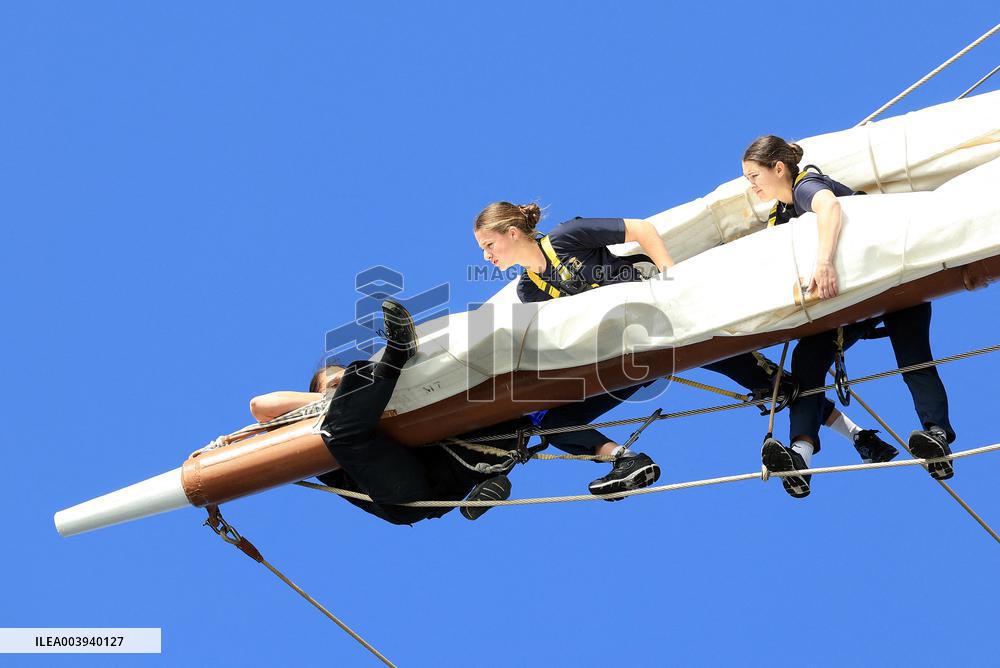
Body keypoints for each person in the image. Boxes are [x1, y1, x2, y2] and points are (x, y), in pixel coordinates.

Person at [472, 202, 894, 495]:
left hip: (670, 323)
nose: (487, 255)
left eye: (489, 245)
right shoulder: (530, 289)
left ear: (512, 233)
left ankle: (858, 435)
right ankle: (625, 460)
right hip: (630, 358)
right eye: (483, 251)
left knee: (774, 386)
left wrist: (672, 282)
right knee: (552, 422)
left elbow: (640, 229)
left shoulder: (566, 237)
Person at [742, 135, 956, 498]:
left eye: (753, 176)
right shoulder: (779, 219)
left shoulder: (806, 185)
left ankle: (936, 436)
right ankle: (800, 455)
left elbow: (830, 208)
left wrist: (824, 263)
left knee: (913, 358)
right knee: (808, 360)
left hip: (893, 282)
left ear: (778, 168)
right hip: (852, 304)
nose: (751, 186)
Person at [250, 299, 520, 524]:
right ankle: (396, 355)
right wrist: (329, 397)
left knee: (512, 409)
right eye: (335, 383)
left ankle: (489, 477)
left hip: (451, 463)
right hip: (405, 494)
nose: (344, 385)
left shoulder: (387, 394)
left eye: (346, 380)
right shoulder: (323, 422)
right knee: (340, 431)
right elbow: (260, 407)